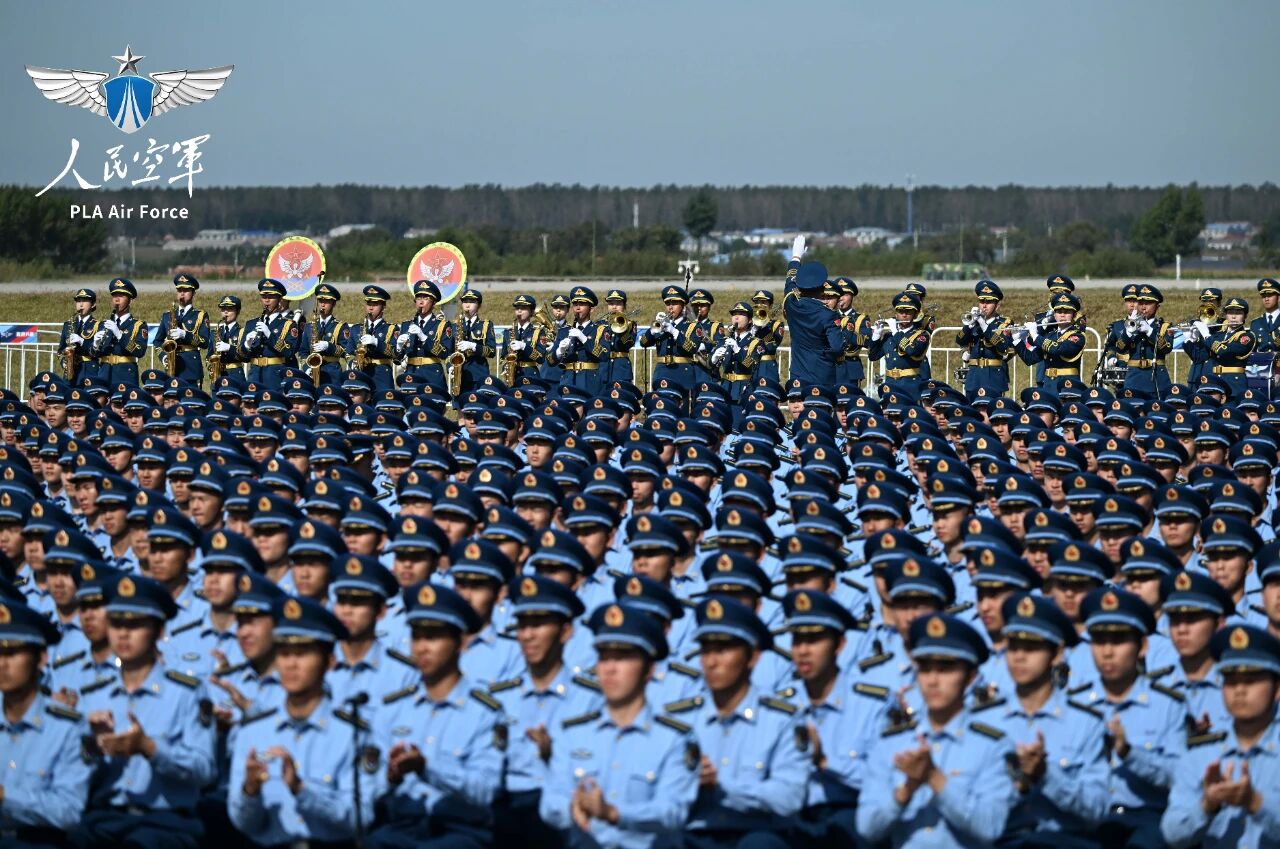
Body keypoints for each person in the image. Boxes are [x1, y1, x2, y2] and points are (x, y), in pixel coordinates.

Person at [74, 574, 217, 849]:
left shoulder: (187, 692)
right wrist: (89, 745)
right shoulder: (94, 693)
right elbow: (74, 775)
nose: (123, 634)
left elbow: (205, 769)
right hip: (105, 819)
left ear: (159, 631)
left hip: (164, 823)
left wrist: (150, 748)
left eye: (135, 624)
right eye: (116, 623)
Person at [538, 602, 698, 848]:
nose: (610, 669)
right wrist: (573, 807)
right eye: (604, 657)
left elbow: (673, 811)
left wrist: (613, 813)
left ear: (649, 670)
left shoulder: (675, 737)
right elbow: (549, 803)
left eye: (622, 657)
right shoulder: (573, 732)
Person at [857, 613, 1017, 848]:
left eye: (945, 669)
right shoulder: (893, 740)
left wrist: (935, 778)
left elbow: (990, 827)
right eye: (924, 668)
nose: (932, 680)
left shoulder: (993, 743)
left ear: (970, 677)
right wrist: (905, 791)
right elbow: (866, 828)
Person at [227, 596, 375, 847]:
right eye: (284, 654)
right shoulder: (253, 731)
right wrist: (250, 791)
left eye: (303, 653)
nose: (291, 664)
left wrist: (302, 791)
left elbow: (360, 818)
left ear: (329, 662)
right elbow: (244, 823)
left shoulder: (351, 733)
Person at [370, 582, 503, 849]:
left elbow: (487, 791)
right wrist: (389, 777)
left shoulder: (484, 711)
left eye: (433, 637)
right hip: (401, 825)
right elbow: (366, 784)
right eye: (417, 636)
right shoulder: (393, 707)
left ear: (458, 642)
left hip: (459, 831)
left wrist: (427, 768)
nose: (422, 648)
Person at [678, 597, 808, 849]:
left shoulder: (782, 718)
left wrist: (721, 786)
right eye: (706, 649)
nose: (711, 662)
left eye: (723, 650)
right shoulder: (682, 719)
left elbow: (789, 798)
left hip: (757, 833)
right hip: (694, 835)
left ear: (753, 657)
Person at [985, 593, 1110, 848]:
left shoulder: (1085, 721)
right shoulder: (985, 720)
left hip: (1066, 840)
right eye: (1014, 647)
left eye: (1031, 648)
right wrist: (1019, 785)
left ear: (1056, 654)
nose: (1019, 657)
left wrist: (1047, 776)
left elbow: (1097, 809)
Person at [491, 575, 599, 849]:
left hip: (564, 809)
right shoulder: (499, 697)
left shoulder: (590, 697)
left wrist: (554, 754)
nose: (527, 635)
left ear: (565, 632)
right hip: (506, 808)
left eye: (538, 625)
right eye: (523, 625)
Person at [1160, 625, 1280, 848]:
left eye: (1251, 680)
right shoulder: (1202, 753)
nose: (1239, 690)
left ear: (1277, 688)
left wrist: (1255, 803)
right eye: (1231, 681)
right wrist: (1207, 805)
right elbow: (1172, 833)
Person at [784, 589, 885, 849]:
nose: (803, 650)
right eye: (797, 640)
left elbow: (884, 781)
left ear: (839, 644)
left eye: (814, 639)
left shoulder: (871, 704)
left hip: (850, 813)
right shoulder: (780, 704)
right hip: (790, 815)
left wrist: (825, 761)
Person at [0, 599, 92, 847]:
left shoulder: (68, 727)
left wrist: (5, 797)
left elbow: (69, 811)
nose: (2, 664)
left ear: (41, 658)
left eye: (13, 652)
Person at [955, 279, 1015, 402]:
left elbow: (1002, 345)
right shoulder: (974, 322)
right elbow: (960, 340)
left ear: (997, 305)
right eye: (982, 301)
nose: (984, 305)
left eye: (989, 302)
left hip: (993, 375)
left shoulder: (1004, 323)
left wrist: (984, 325)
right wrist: (969, 325)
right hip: (973, 376)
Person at [869, 292, 932, 403]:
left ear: (915, 314)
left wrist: (895, 332)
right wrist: (876, 336)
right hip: (890, 384)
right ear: (896, 314)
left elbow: (912, 350)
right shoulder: (890, 336)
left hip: (910, 386)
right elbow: (873, 356)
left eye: (908, 312)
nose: (904, 315)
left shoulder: (921, 335)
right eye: (900, 311)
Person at [239, 278, 301, 390]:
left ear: (279, 299)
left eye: (271, 297)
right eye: (264, 297)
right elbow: (242, 356)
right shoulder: (252, 324)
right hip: (254, 375)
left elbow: (289, 352)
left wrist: (269, 335)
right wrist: (246, 345)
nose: (266, 300)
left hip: (275, 375)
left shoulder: (288, 325)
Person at [640, 286, 702, 399]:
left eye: (675, 304)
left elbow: (692, 348)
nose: (671, 307)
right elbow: (643, 343)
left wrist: (674, 332)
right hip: (662, 372)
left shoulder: (692, 326)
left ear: (683, 306)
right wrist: (652, 331)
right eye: (668, 304)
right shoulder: (662, 324)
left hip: (682, 373)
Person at [550, 286, 613, 397]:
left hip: (589, 380)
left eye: (582, 304)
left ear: (591, 309)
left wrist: (584, 339)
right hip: (568, 380)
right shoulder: (564, 331)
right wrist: (559, 351)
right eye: (575, 304)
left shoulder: (599, 330)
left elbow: (604, 355)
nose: (578, 308)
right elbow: (550, 360)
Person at [1114, 284, 1174, 399]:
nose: (1143, 307)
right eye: (1140, 303)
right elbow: (1120, 347)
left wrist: (1149, 331)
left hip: (1156, 378)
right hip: (1134, 378)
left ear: (1157, 306)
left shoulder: (1164, 326)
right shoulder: (1130, 324)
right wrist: (1128, 333)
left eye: (1148, 303)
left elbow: (1166, 348)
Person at [395, 280, 454, 393]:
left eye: (426, 298)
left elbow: (444, 353)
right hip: (411, 374)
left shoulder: (442, 325)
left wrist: (424, 338)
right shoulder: (406, 325)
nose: (421, 302)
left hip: (432, 375)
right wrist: (398, 346)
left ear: (434, 303)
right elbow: (397, 359)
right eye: (418, 298)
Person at [1021, 292, 1086, 391]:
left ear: (1074, 315)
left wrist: (1035, 335)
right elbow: (1030, 358)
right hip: (1048, 385)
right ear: (1054, 315)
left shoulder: (1077, 335)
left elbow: (1057, 349)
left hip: (1067, 385)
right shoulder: (1051, 335)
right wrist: (1017, 340)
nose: (1062, 315)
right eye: (1059, 312)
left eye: (1067, 312)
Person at [89, 278, 148, 387]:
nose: (117, 300)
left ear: (130, 301)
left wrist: (120, 336)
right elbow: (94, 355)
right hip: (104, 374)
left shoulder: (138, 325)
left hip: (125, 375)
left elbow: (140, 352)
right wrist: (95, 345)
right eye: (115, 296)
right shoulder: (103, 324)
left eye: (121, 296)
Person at [154, 274, 211, 387]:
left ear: (193, 293)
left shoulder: (200, 315)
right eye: (179, 290)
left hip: (191, 367)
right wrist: (164, 357)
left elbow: (205, 342)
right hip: (171, 366)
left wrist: (185, 334)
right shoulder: (167, 316)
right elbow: (157, 341)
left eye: (186, 290)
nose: (182, 293)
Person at [712, 302, 766, 403]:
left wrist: (737, 350)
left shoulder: (756, 343)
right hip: (725, 388)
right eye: (734, 314)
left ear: (750, 320)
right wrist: (714, 359)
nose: (736, 317)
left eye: (741, 314)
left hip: (743, 390)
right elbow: (712, 369)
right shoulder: (725, 340)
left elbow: (751, 365)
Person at [299, 282, 348, 387]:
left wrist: (328, 346)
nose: (323, 305)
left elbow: (346, 351)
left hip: (332, 374)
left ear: (333, 304)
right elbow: (303, 352)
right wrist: (307, 368)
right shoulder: (309, 326)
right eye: (320, 301)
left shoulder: (340, 327)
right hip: (312, 373)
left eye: (327, 301)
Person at [352, 285, 397, 393]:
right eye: (368, 304)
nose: (371, 308)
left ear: (384, 307)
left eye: (375, 304)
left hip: (382, 375)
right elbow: (348, 352)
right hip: (361, 374)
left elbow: (395, 353)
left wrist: (376, 342)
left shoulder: (391, 329)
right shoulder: (356, 328)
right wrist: (353, 362)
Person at [454, 289, 496, 396]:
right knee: (461, 409)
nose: (467, 305)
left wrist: (473, 346)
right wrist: (451, 366)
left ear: (479, 305)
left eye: (472, 302)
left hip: (478, 374)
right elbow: (449, 351)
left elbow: (491, 351)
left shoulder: (485, 325)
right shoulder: (455, 325)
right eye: (465, 301)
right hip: (459, 375)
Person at [502, 294, 550, 385]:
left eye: (523, 308)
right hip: (513, 376)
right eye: (517, 308)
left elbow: (541, 358)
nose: (519, 311)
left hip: (530, 374)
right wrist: (507, 368)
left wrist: (524, 347)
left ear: (531, 312)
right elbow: (503, 356)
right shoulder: (508, 332)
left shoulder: (538, 332)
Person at [59, 288, 100, 384]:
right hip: (70, 371)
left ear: (93, 304)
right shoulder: (68, 325)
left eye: (85, 301)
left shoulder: (98, 325)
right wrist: (65, 362)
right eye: (78, 301)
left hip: (89, 370)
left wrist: (82, 341)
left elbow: (98, 351)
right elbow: (61, 349)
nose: (81, 304)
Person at [208, 295, 247, 380]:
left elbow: (245, 356)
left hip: (235, 374)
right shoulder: (214, 332)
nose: (225, 312)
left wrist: (229, 348)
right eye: (223, 309)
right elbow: (209, 355)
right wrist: (211, 367)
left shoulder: (242, 332)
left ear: (238, 311)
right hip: (218, 375)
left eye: (229, 309)